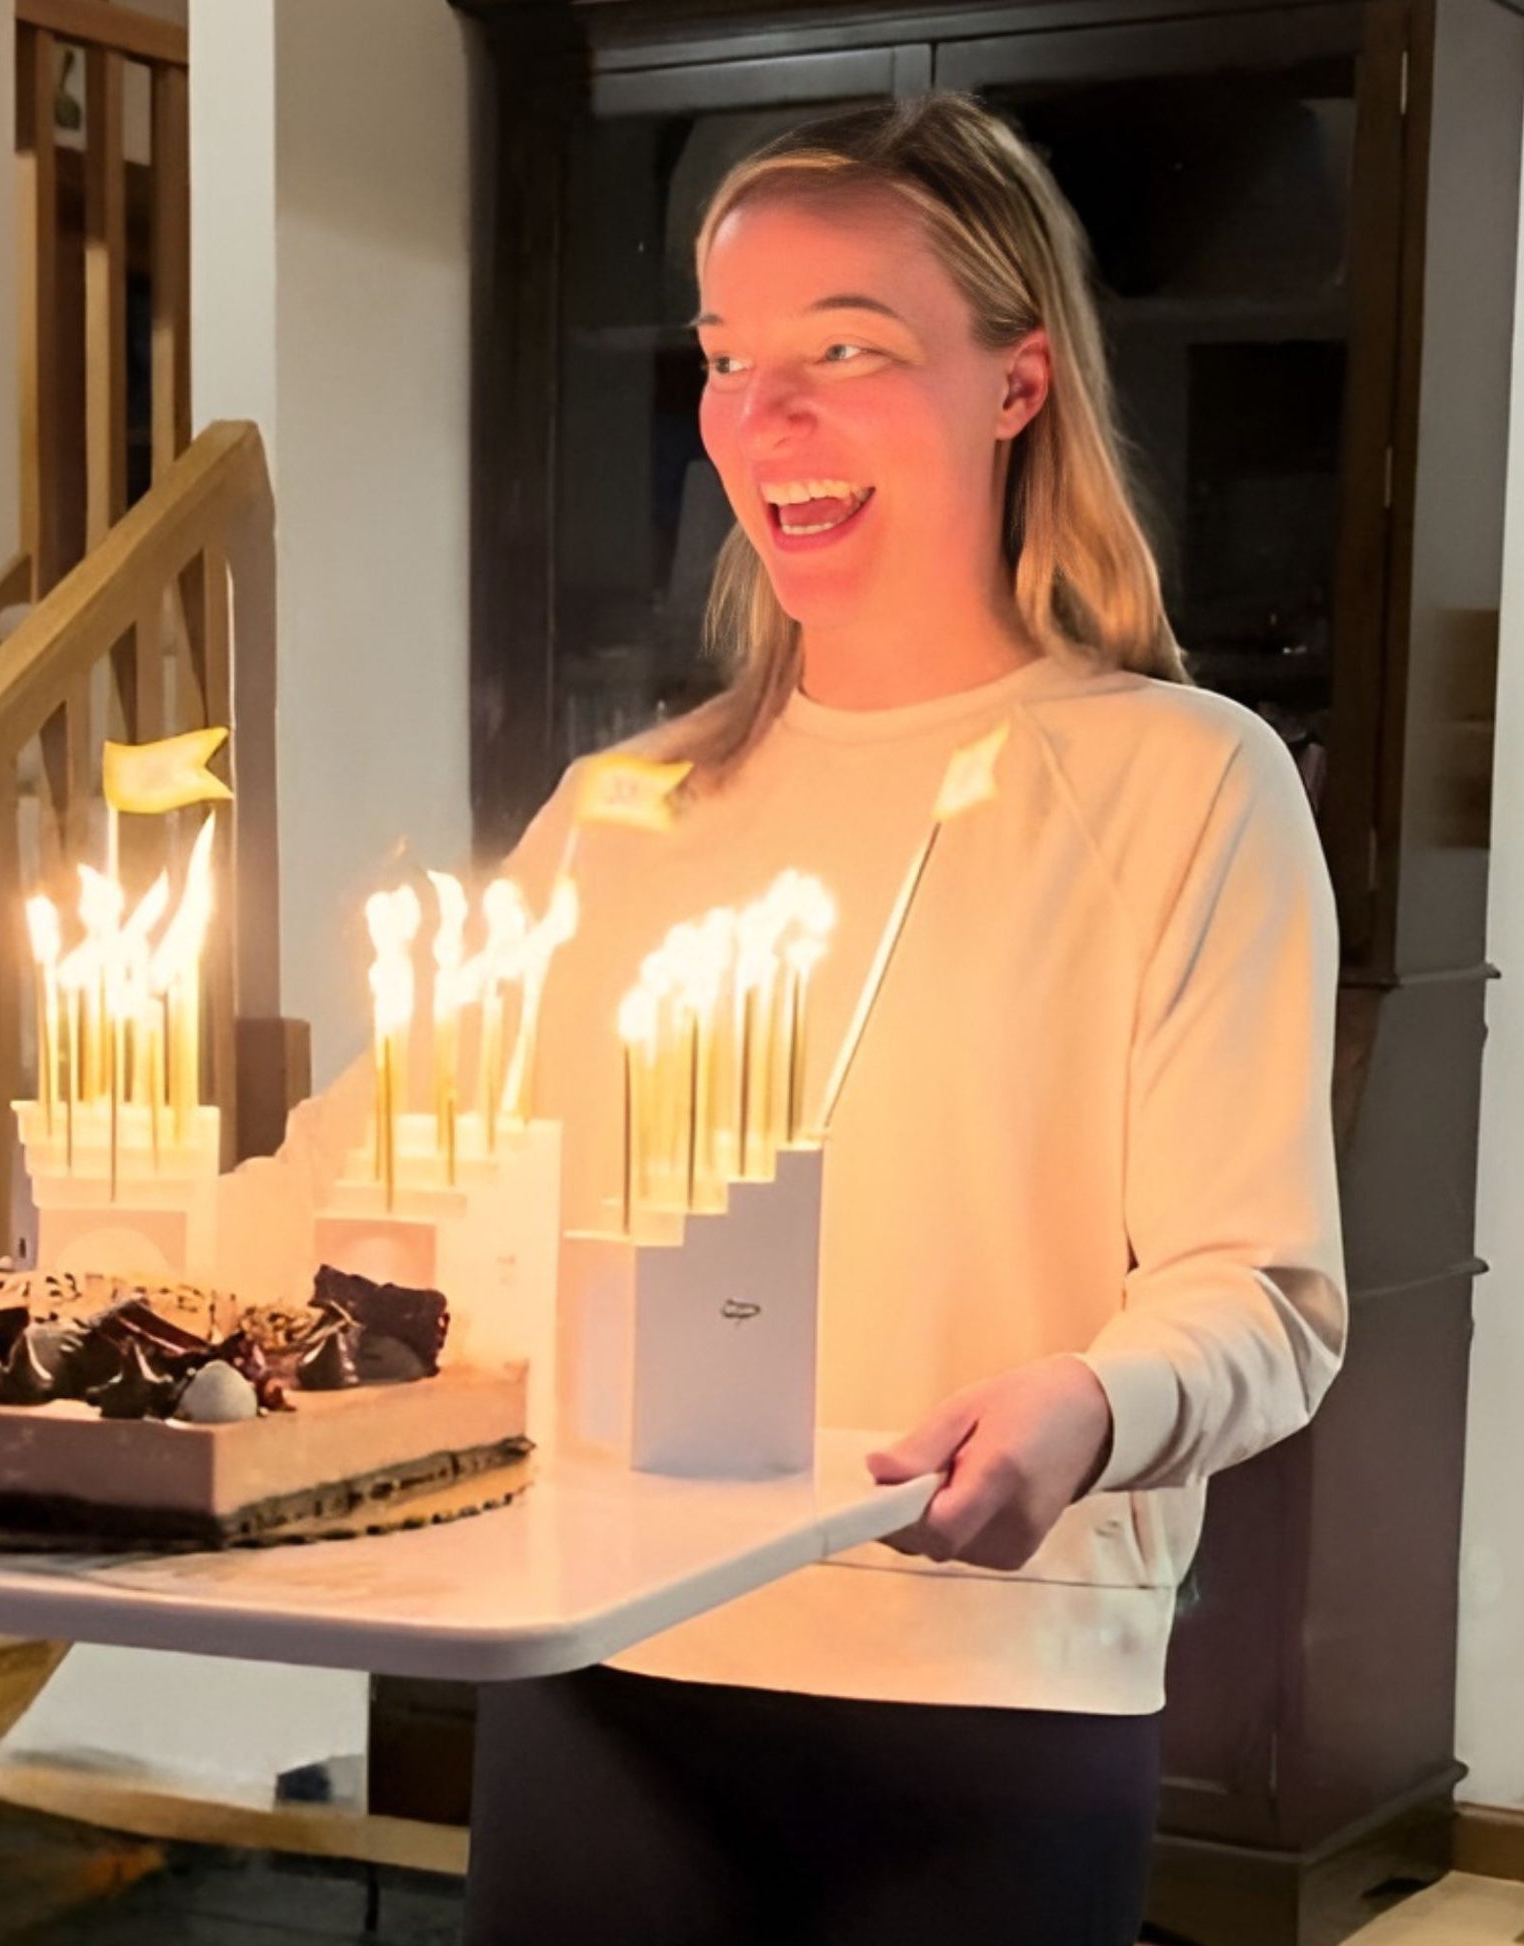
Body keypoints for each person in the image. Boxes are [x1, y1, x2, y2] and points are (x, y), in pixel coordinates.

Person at [445, 93, 1347, 1946]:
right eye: (723, 360)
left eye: (844, 352)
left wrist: (1093, 1405)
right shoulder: (622, 815)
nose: (760, 420)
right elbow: (385, 1172)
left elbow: (1259, 1290)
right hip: (606, 1663)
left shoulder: (1184, 787)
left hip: (990, 1709)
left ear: (1014, 384)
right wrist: (21, 1304)